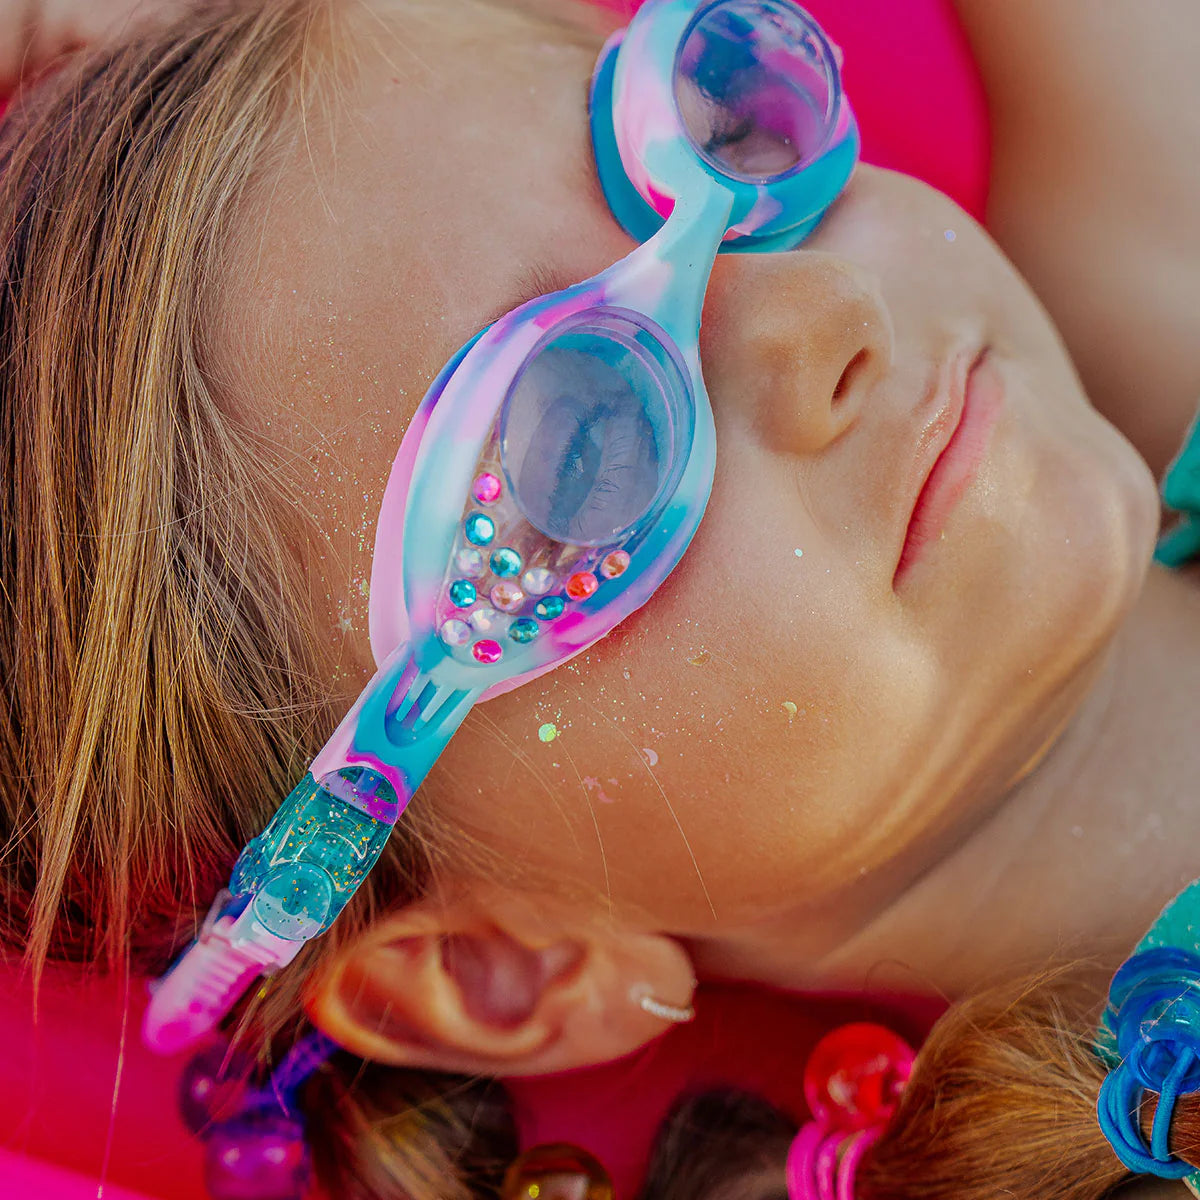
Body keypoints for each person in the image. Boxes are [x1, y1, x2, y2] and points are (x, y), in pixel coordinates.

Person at [0, 1, 1197, 1198]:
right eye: (583, 457)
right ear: (499, 966)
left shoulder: (1146, 266)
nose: (828, 310)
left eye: (722, 143)